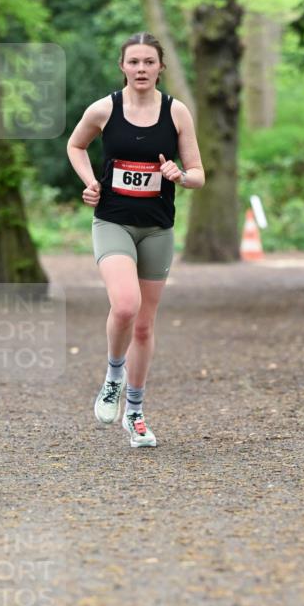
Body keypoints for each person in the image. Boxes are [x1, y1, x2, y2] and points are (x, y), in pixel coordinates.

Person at [67, 32, 204, 447]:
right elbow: (76, 145)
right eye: (134, 62)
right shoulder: (104, 108)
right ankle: (113, 375)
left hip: (157, 228)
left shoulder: (176, 113)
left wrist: (180, 176)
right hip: (113, 222)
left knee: (144, 326)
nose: (141, 69)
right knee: (126, 305)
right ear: (122, 66)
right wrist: (91, 182)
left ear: (161, 67)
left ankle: (136, 412)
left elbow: (198, 173)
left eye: (149, 62)